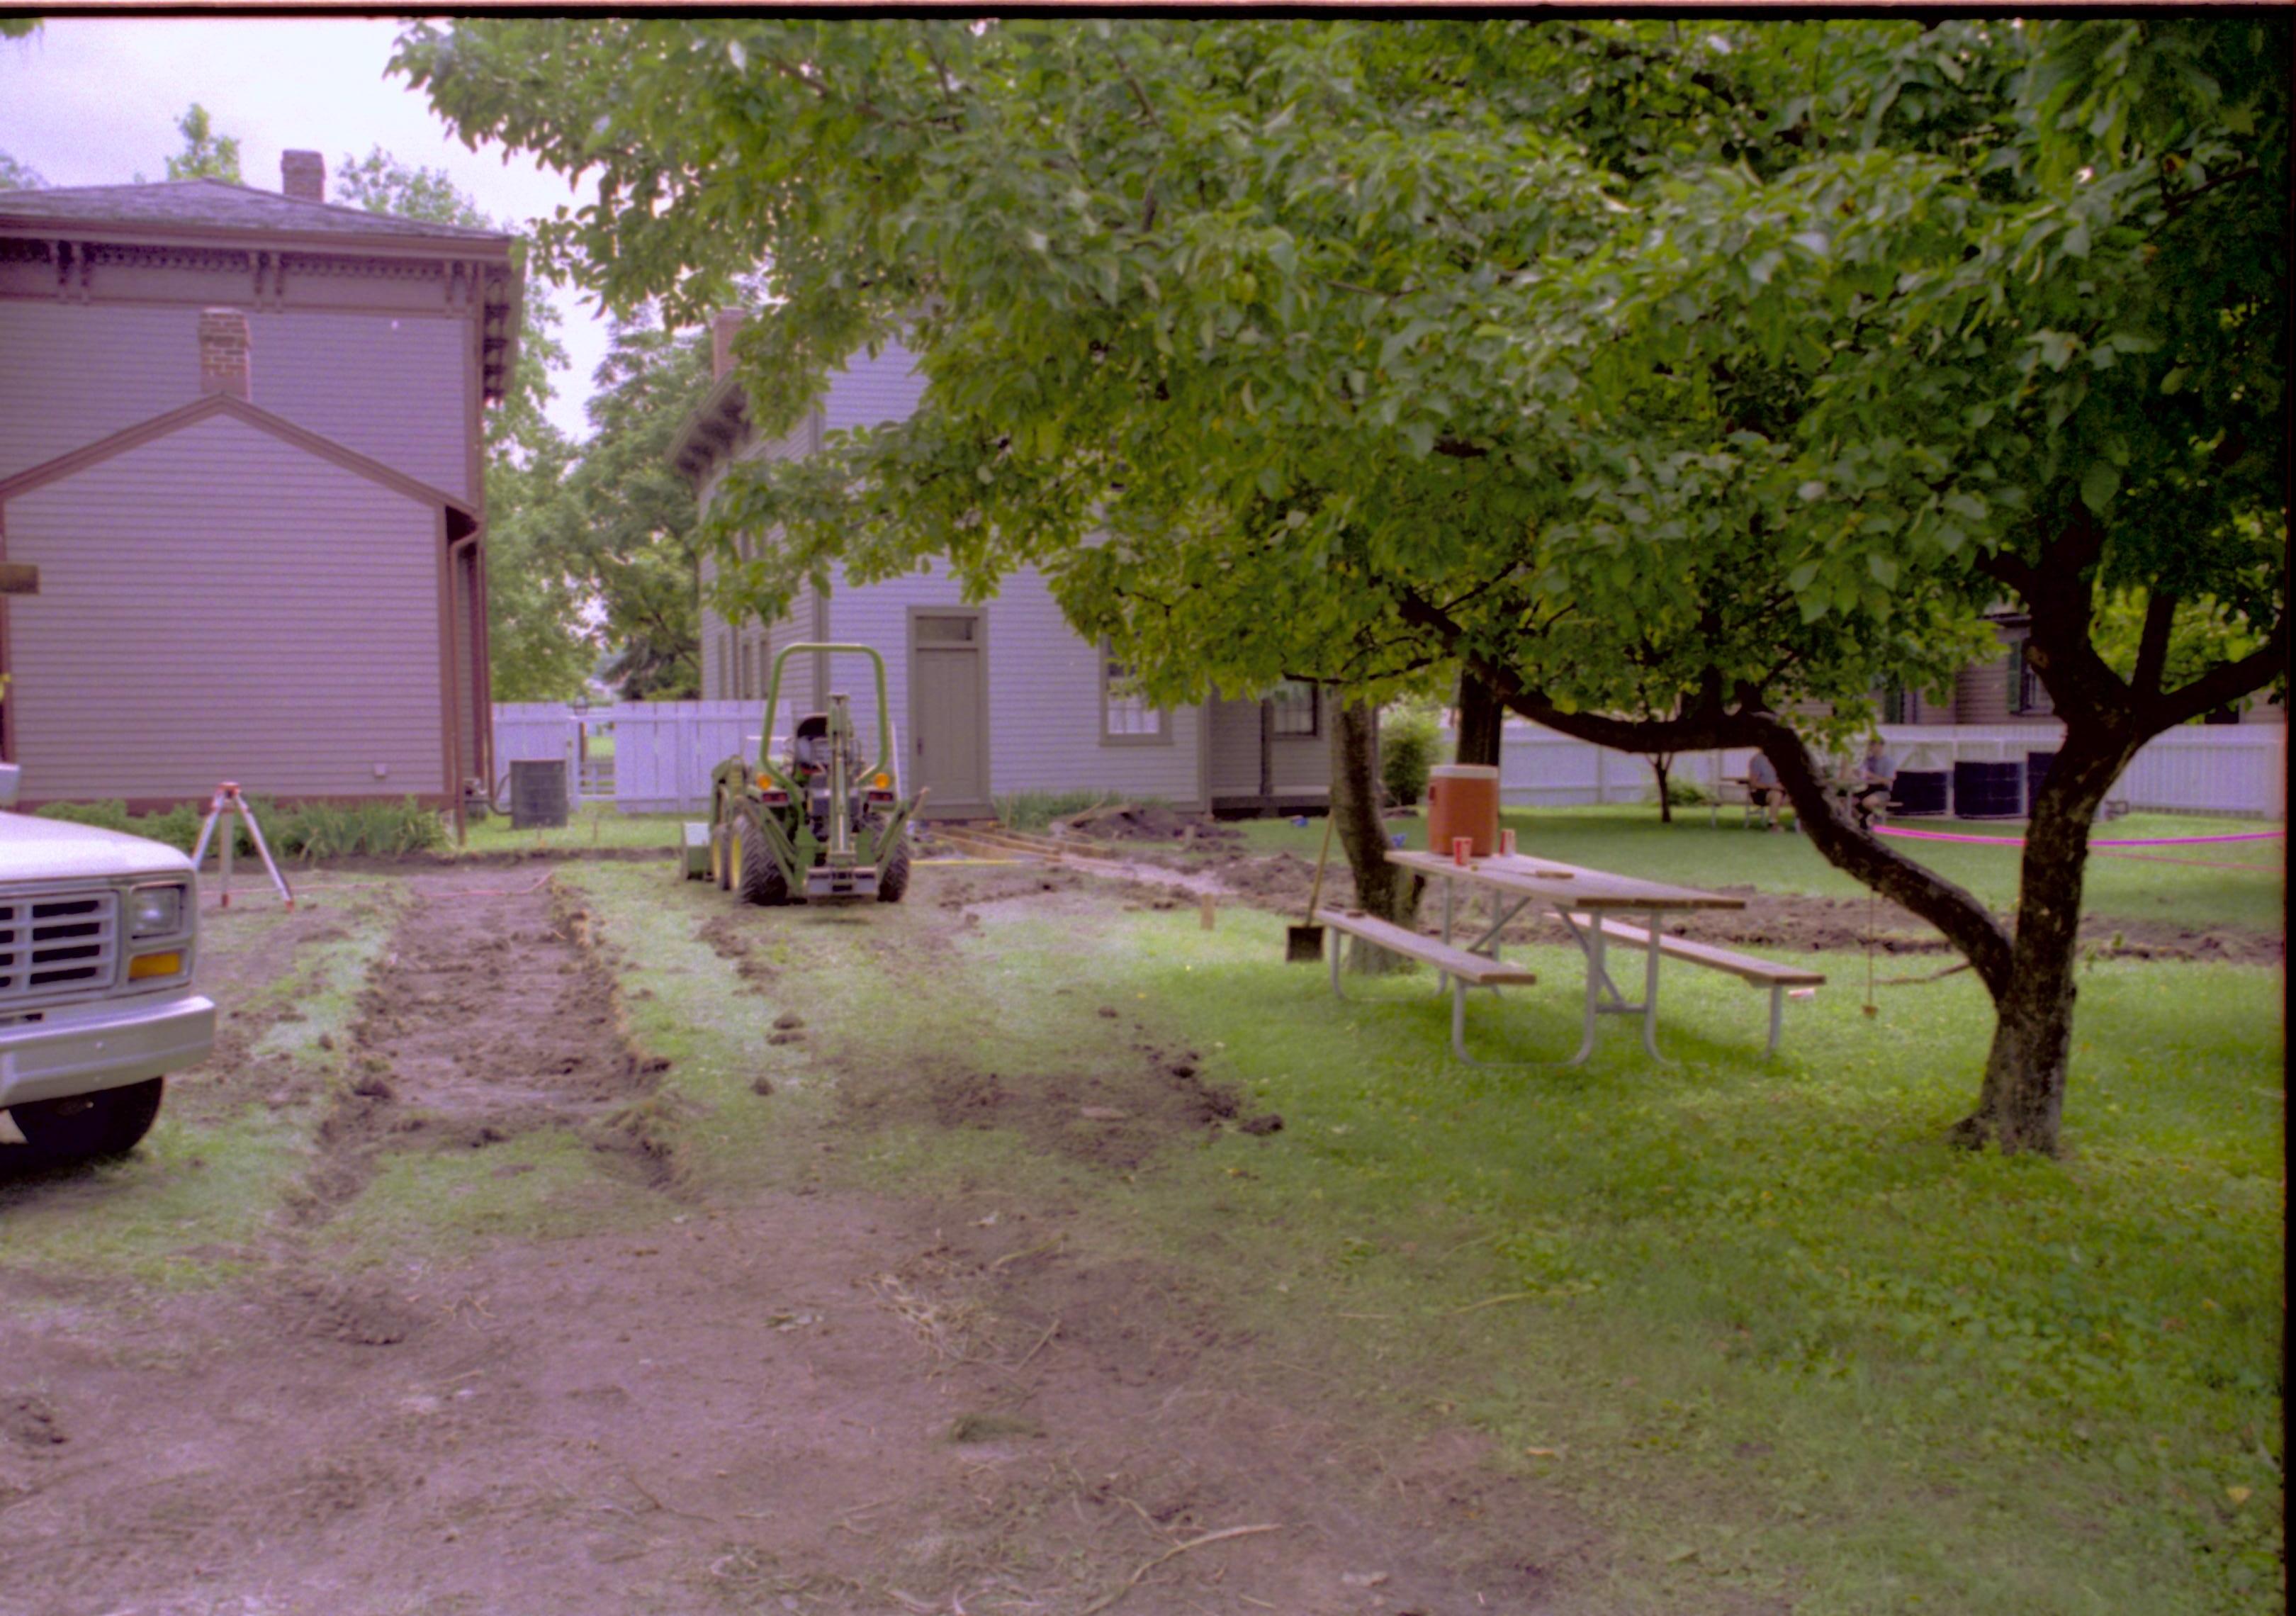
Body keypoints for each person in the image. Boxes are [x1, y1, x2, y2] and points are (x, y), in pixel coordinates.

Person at [1852, 736, 1896, 831]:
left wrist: (1871, 775)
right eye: (1870, 745)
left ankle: (1876, 816)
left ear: (1880, 746)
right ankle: (1864, 819)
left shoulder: (1889, 762)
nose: (1871, 747)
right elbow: (1862, 773)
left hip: (1882, 790)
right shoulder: (1868, 760)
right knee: (1849, 802)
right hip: (1869, 788)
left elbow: (1887, 781)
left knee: (1867, 802)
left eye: (1873, 745)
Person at [1745, 751, 1786, 831]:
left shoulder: (1783, 758)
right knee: (1777, 795)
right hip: (1762, 792)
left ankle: (1804, 825)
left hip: (1781, 790)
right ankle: (1773, 824)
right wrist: (1772, 786)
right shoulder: (1758, 760)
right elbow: (1753, 783)